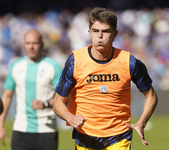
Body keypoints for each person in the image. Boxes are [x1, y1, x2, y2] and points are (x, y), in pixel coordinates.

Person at [53, 7, 158, 150]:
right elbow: (58, 102)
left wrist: (141, 122)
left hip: (118, 136)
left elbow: (151, 95)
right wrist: (70, 118)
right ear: (89, 33)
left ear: (115, 34)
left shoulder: (129, 62)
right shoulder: (75, 61)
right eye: (95, 31)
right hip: (85, 136)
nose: (100, 36)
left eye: (105, 31)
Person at [0, 29, 62, 150]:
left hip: (47, 130)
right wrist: (0, 124)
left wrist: (45, 104)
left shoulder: (53, 67)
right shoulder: (16, 66)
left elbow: (64, 98)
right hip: (20, 129)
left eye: (35, 43)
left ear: (42, 44)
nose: (31, 47)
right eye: (28, 43)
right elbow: (7, 96)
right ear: (23, 45)